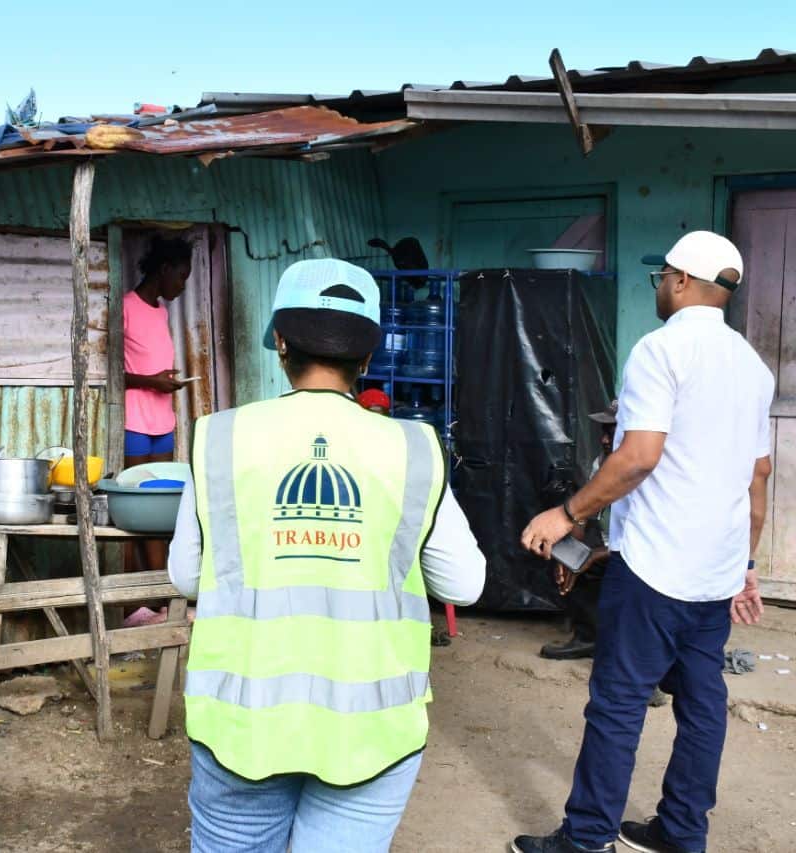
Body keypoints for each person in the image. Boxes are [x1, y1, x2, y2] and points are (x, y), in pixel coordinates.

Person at [168, 258, 487, 853]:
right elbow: (464, 583)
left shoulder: (220, 437)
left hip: (242, 722)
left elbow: (187, 575)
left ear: (281, 342)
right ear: (366, 357)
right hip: (370, 729)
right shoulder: (412, 448)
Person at [511, 231, 774, 853]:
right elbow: (758, 477)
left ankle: (587, 837)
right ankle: (682, 833)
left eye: (661, 276)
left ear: (681, 281)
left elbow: (637, 458)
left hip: (656, 569)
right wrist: (747, 564)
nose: (658, 286)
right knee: (703, 703)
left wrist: (566, 515)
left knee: (618, 703)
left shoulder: (660, 351)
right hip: (715, 569)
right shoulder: (752, 366)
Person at [123, 235, 193, 591]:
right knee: (140, 510)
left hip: (163, 421)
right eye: (182, 275)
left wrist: (164, 381)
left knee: (162, 508)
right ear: (164, 270)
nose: (183, 285)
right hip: (135, 421)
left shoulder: (161, 311)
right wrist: (150, 381)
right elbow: (110, 374)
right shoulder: (125, 307)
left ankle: (162, 592)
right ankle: (150, 596)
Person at [540, 402, 618, 661]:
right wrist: (572, 556)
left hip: (644, 555)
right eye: (603, 431)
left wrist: (593, 556)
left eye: (613, 431)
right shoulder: (603, 461)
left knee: (633, 593)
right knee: (570, 556)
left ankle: (644, 670)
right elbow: (584, 514)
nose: (604, 439)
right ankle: (588, 637)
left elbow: (645, 544)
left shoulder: (648, 470)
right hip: (613, 544)